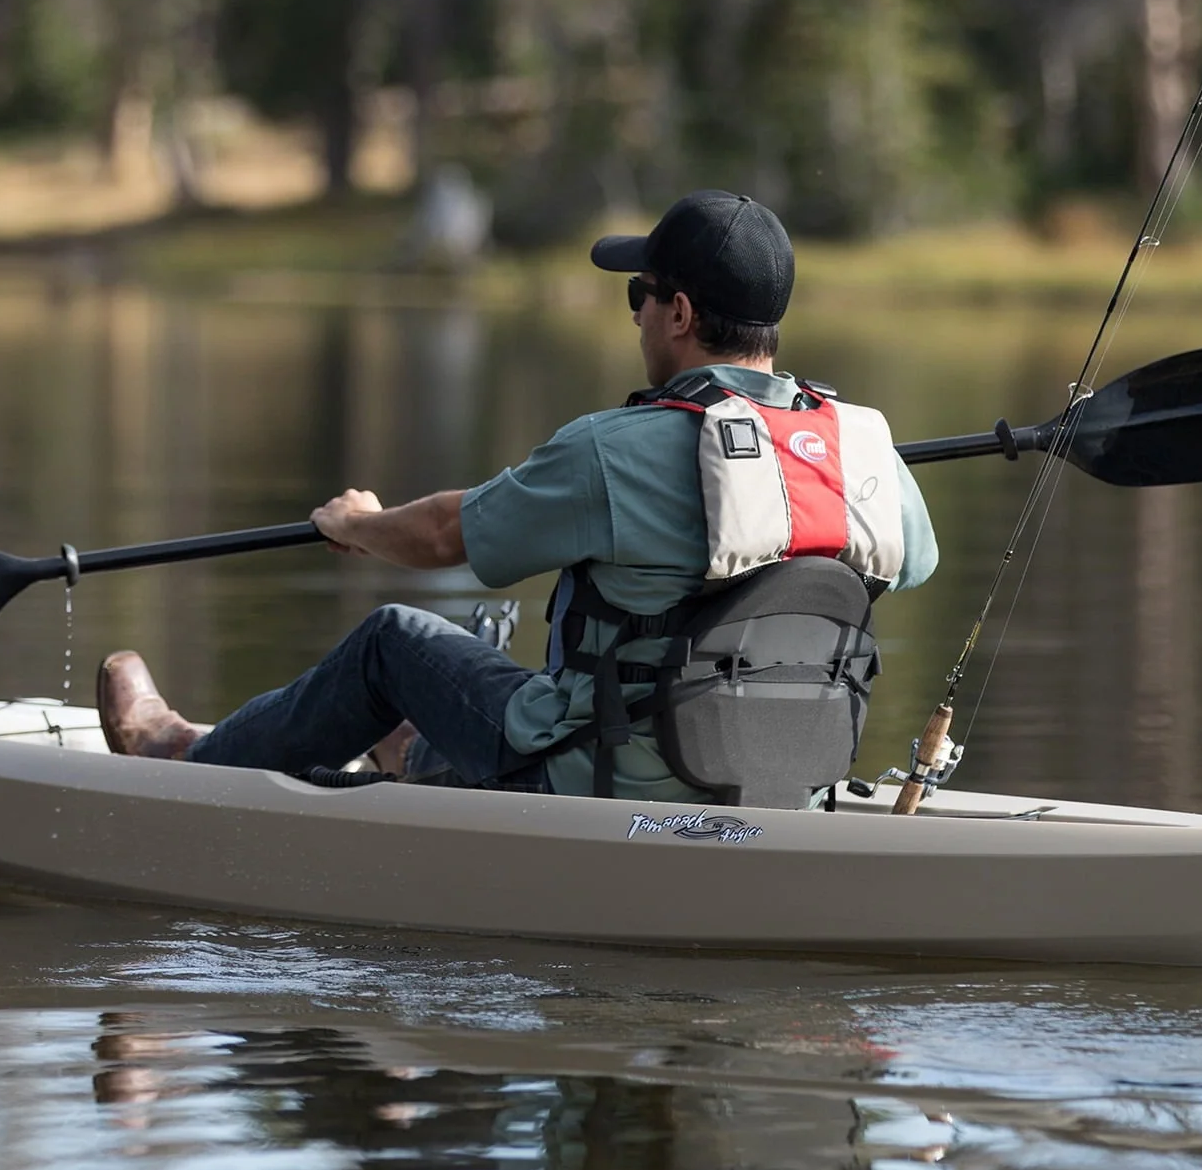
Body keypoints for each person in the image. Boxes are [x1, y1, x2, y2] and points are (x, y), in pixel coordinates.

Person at [99, 189, 938, 801]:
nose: (636, 316)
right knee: (500, 686)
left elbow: (441, 536)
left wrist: (359, 522)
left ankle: (185, 767)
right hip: (782, 785)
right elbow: (919, 563)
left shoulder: (617, 448)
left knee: (393, 641)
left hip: (606, 780)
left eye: (639, 295)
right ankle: (403, 751)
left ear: (680, 312)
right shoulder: (860, 447)